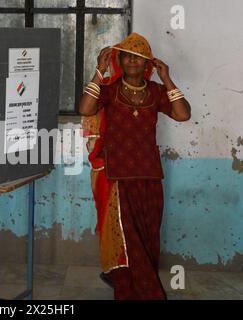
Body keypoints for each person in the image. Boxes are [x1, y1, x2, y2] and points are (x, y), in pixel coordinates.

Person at [79, 33, 191, 300]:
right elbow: (85, 108)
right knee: (127, 239)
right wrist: (99, 70)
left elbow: (183, 114)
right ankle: (142, 291)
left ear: (148, 65)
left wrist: (166, 78)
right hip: (117, 177)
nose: (132, 61)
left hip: (150, 175)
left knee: (148, 237)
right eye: (127, 56)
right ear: (119, 60)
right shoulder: (110, 89)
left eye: (139, 58)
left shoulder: (155, 92)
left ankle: (139, 284)